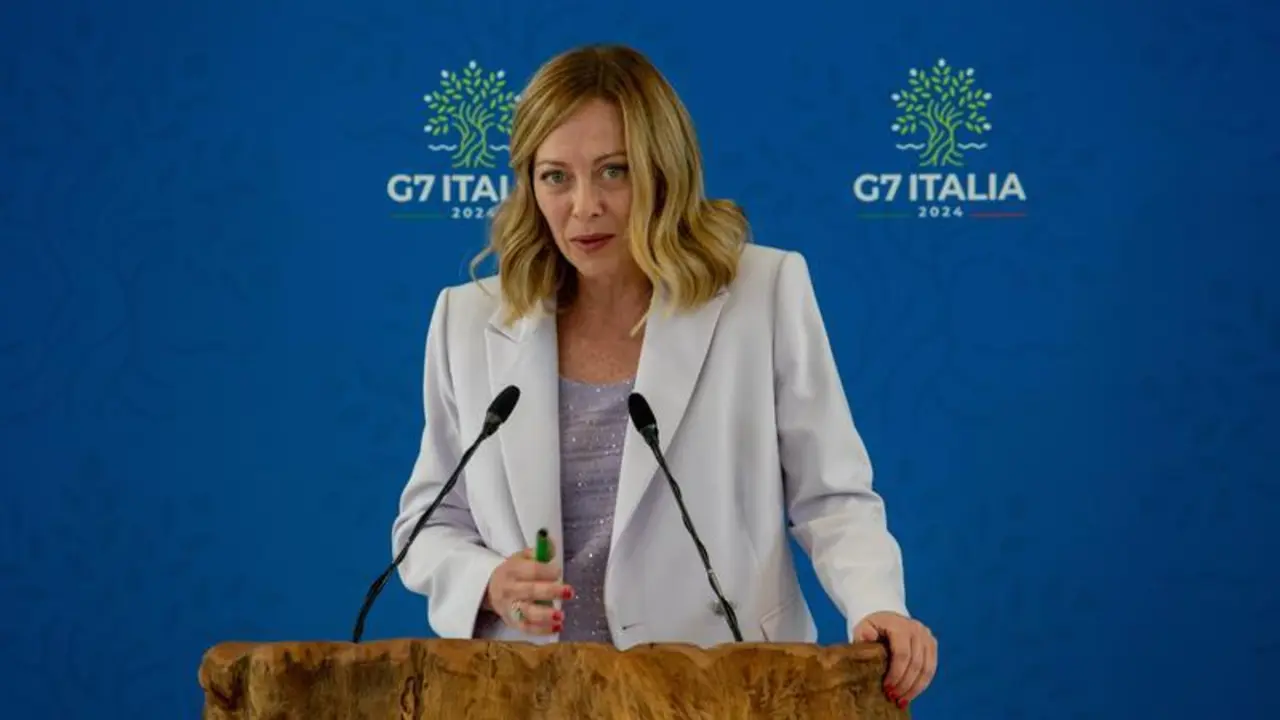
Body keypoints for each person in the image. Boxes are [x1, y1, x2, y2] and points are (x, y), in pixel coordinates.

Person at [392, 44, 937, 707]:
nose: (583, 206)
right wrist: (488, 581)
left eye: (613, 172)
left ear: (664, 171)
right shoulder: (468, 319)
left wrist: (877, 604)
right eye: (555, 177)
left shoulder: (762, 293)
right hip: (530, 696)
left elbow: (832, 497)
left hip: (723, 689)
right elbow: (426, 525)